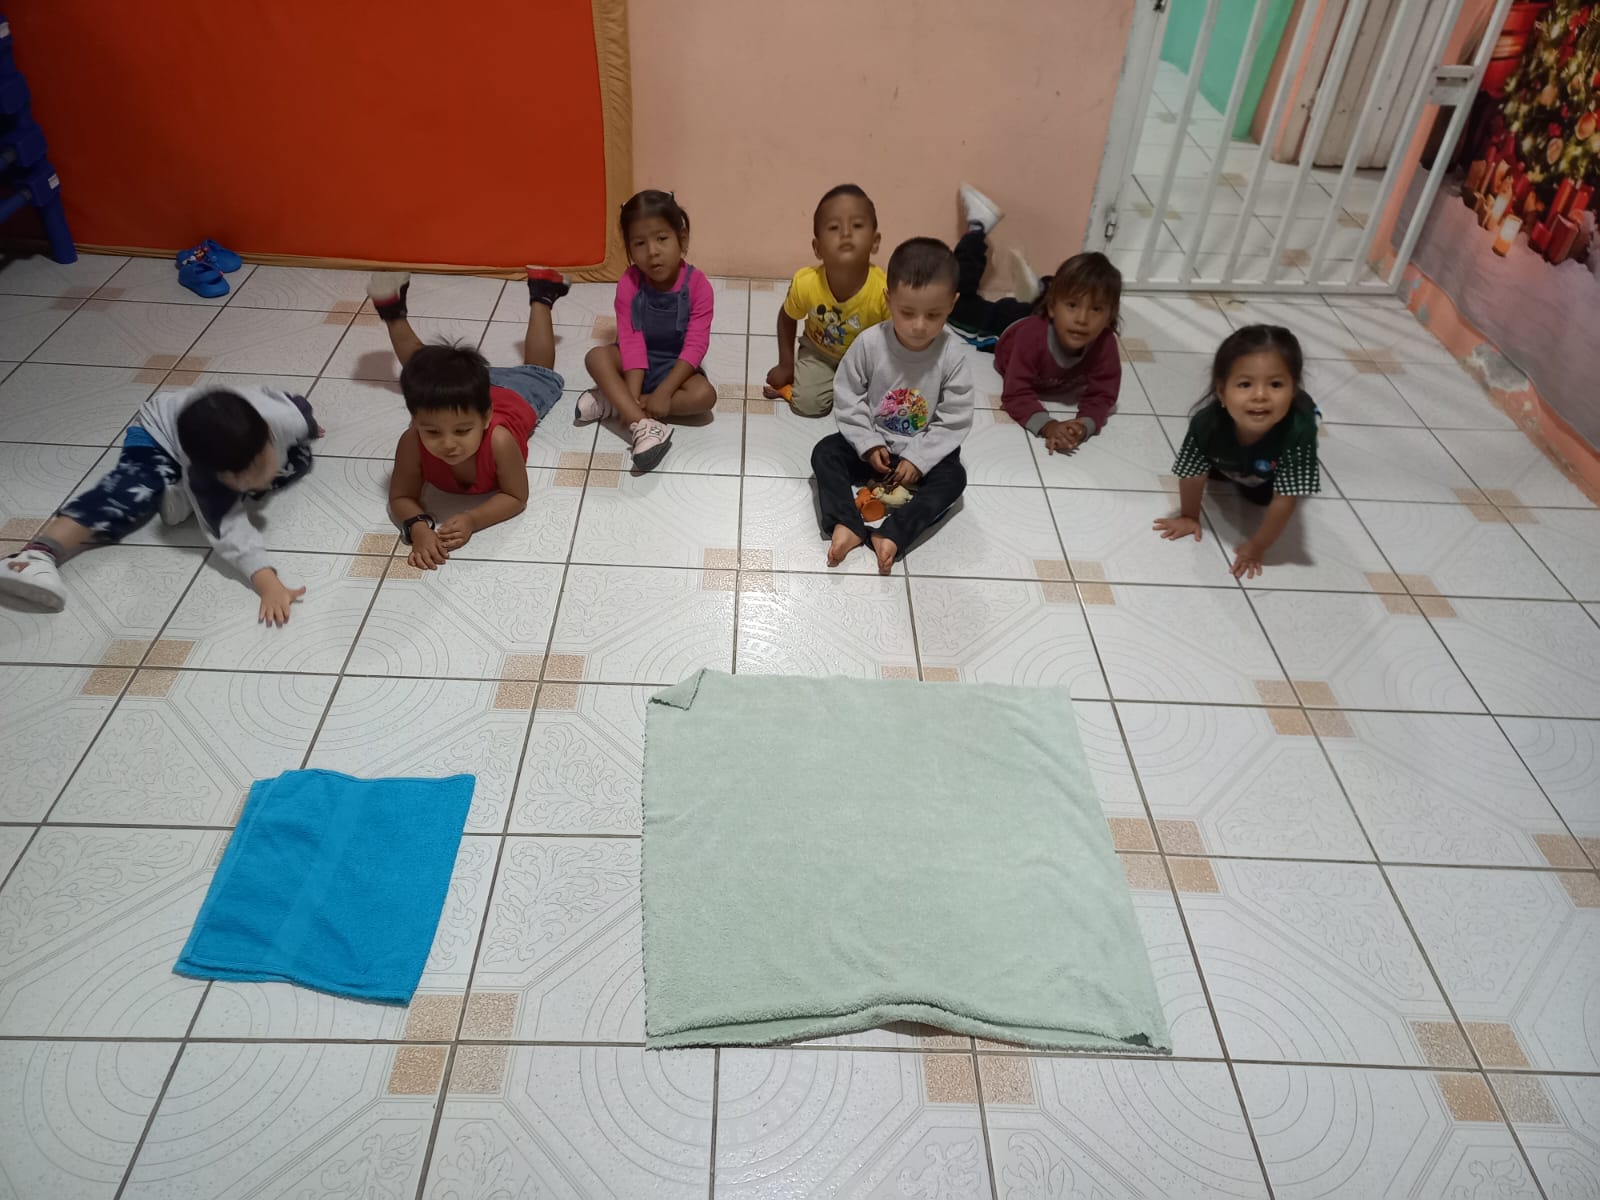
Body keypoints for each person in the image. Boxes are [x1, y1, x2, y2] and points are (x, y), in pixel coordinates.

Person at [0, 385, 320, 624]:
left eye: (258, 469)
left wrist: (310, 428)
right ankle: (34, 556)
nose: (256, 484)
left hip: (220, 433)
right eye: (241, 481)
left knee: (299, 460)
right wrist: (267, 584)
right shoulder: (207, 477)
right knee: (130, 492)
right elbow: (229, 531)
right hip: (158, 435)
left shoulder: (285, 418)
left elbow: (300, 410)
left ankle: (180, 492)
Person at [369, 268, 570, 570]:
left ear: (486, 418)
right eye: (432, 431)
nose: (448, 443)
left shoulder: (499, 441)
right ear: (415, 421)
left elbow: (516, 495)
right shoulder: (412, 440)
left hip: (516, 395)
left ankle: (542, 296)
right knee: (423, 370)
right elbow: (400, 496)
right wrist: (418, 528)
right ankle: (393, 313)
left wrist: (473, 519)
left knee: (540, 372)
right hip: (465, 395)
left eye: (462, 431)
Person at [811, 236, 975, 575]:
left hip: (924, 451)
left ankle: (892, 535)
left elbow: (954, 419)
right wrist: (868, 443)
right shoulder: (870, 344)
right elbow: (848, 395)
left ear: (952, 304)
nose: (919, 325)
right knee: (825, 453)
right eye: (907, 312)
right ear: (888, 300)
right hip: (875, 447)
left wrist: (919, 458)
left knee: (955, 479)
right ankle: (847, 524)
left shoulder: (953, 355)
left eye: (934, 314)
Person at [1154, 324, 1320, 579]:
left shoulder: (1299, 429)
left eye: (1276, 384)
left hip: (1270, 467)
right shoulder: (1206, 424)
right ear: (1221, 392)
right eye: (1245, 384)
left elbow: (1285, 499)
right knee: (1215, 470)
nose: (1260, 395)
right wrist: (1189, 516)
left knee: (1259, 496)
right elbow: (1191, 474)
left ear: (1294, 390)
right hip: (1226, 452)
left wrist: (1257, 546)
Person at [579, 190, 716, 472]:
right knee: (596, 357)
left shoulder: (699, 286)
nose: (652, 251)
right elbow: (631, 341)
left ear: (682, 239)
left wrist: (664, 392)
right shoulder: (629, 282)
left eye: (662, 239)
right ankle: (644, 426)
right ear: (630, 249)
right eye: (640, 243)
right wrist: (633, 393)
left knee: (705, 397)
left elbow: (695, 346)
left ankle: (614, 403)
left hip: (675, 367)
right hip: (633, 364)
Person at [764, 183, 889, 416]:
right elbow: (787, 317)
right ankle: (796, 388)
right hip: (819, 352)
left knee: (883, 409)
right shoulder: (806, 283)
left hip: (865, 359)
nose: (846, 233)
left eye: (857, 225)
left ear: (875, 241)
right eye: (834, 227)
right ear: (817, 247)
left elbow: (894, 339)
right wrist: (786, 364)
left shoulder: (884, 290)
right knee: (807, 404)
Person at [994, 252, 1124, 456]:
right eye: (1072, 305)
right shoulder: (1029, 338)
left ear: (1110, 316)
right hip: (1003, 329)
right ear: (1052, 307)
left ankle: (1042, 289)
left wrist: (1082, 426)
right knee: (967, 311)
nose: (1082, 319)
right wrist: (1049, 426)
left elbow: (1103, 394)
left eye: (1096, 309)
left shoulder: (1105, 342)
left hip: (1048, 320)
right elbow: (1015, 394)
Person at [947, 182, 1049, 349]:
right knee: (953, 296)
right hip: (1014, 323)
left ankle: (1045, 291)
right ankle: (977, 227)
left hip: (1010, 323)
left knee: (953, 301)